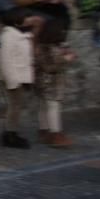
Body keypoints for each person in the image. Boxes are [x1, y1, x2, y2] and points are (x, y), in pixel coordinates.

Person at [0, 8, 34, 149]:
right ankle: (9, 134)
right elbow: (6, 60)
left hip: (20, 77)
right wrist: (12, 81)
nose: (29, 19)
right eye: (26, 16)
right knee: (14, 107)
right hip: (12, 78)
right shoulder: (9, 36)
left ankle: (12, 132)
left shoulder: (22, 34)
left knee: (16, 106)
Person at [35, 18, 74, 147]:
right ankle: (55, 134)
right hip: (49, 82)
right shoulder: (44, 47)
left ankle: (44, 131)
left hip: (47, 82)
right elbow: (48, 67)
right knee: (52, 106)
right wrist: (65, 59)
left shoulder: (56, 45)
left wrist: (66, 54)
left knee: (44, 106)